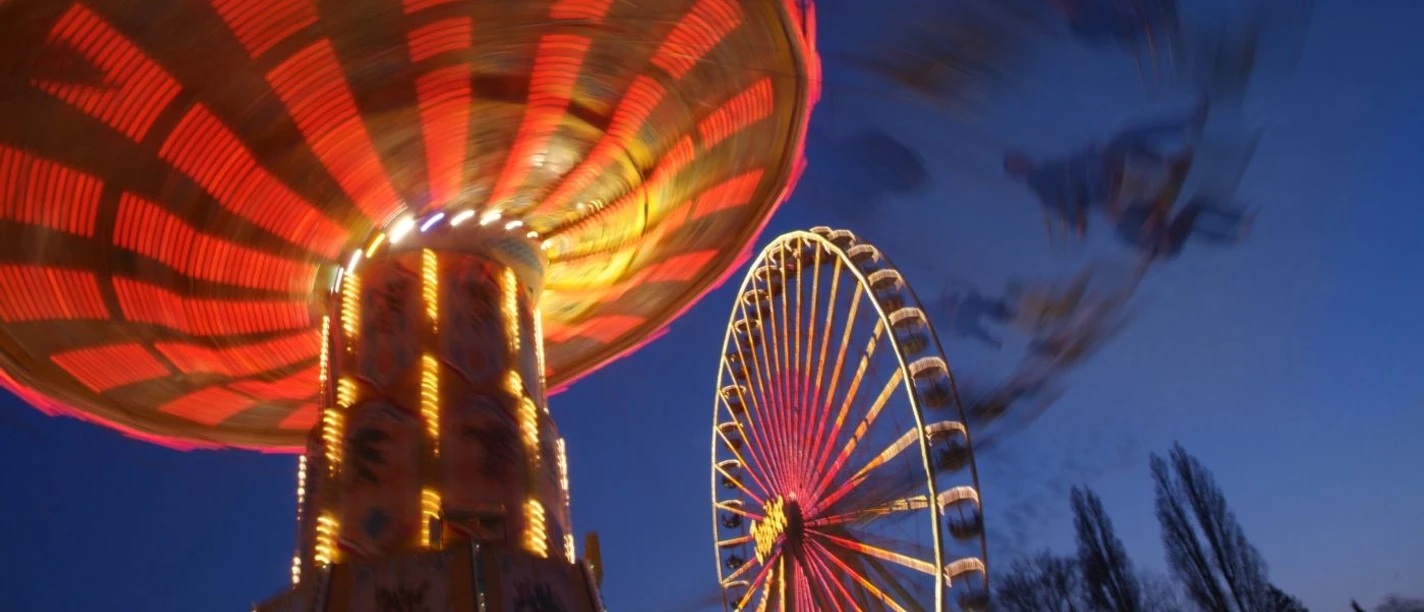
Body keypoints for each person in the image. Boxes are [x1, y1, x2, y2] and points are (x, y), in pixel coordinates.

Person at [1114, 194, 1255, 261]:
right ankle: (1232, 234)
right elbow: (1142, 243)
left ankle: (1237, 219)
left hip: (1166, 236)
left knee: (1195, 209)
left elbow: (1157, 208)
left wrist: (1160, 211)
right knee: (1192, 226)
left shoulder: (1134, 208)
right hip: (1164, 244)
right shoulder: (1125, 229)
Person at [944, 289, 1017, 349]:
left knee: (979, 305)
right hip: (959, 319)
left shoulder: (968, 306)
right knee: (977, 307)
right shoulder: (964, 320)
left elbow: (977, 331)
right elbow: (977, 331)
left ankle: (1003, 313)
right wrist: (990, 341)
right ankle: (1003, 313)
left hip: (962, 315)